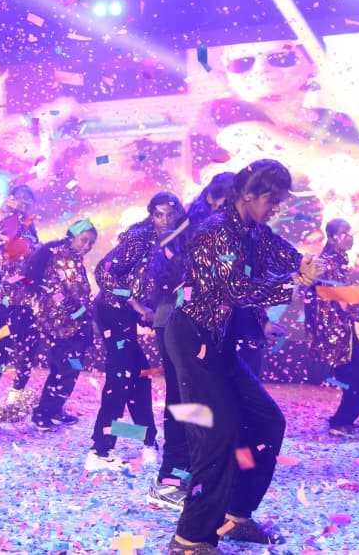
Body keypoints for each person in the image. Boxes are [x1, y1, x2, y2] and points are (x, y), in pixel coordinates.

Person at [165, 160, 320, 554]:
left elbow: (286, 255)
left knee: (266, 423)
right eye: (272, 199)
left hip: (222, 340)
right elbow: (236, 290)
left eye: (280, 201)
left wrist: (302, 266)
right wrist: (290, 282)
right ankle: (189, 539)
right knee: (218, 433)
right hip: (192, 337)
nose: (277, 208)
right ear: (248, 195)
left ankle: (235, 516)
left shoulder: (255, 231)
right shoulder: (215, 231)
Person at [138, 173, 233, 510]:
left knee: (197, 400)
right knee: (182, 398)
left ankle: (189, 473)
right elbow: (165, 277)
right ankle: (170, 480)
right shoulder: (191, 230)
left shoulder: (213, 228)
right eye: (230, 202)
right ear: (213, 199)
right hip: (177, 322)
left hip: (198, 325)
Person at [86, 191, 183, 471]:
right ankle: (100, 450)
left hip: (128, 315)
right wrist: (136, 304)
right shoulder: (140, 237)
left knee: (139, 377)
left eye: (170, 214)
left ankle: (147, 440)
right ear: (151, 214)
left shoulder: (176, 241)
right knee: (121, 377)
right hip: (112, 310)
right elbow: (103, 272)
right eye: (159, 214)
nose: (165, 219)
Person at [302, 218, 359, 440]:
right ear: (331, 238)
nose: (349, 237)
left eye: (350, 232)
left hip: (342, 329)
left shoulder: (337, 261)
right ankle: (341, 422)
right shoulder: (327, 263)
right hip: (335, 332)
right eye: (343, 233)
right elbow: (328, 293)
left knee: (356, 375)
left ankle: (343, 421)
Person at [24, 219, 97, 429]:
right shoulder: (65, 257)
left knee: (65, 368)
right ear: (71, 237)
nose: (87, 246)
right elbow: (78, 292)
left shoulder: (67, 254)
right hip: (66, 324)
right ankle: (43, 414)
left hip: (62, 322)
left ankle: (54, 409)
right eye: (84, 240)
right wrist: (90, 310)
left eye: (91, 243)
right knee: (66, 369)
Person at [0, 184, 41, 410]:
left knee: (26, 342)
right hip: (5, 296)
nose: (24, 202)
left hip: (21, 296)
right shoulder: (9, 221)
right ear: (10, 200)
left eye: (28, 198)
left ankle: (12, 394)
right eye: (19, 198)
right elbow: (16, 252)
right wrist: (42, 251)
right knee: (2, 341)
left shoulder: (28, 224)